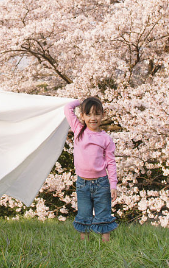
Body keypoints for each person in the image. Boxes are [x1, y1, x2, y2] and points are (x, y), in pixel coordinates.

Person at [64, 97, 118, 241]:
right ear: (82, 116)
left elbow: (111, 163)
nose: (93, 118)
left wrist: (113, 185)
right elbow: (67, 109)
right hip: (82, 184)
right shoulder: (78, 130)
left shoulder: (105, 138)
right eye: (88, 114)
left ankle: (106, 247)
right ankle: (84, 247)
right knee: (84, 215)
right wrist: (80, 101)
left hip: (101, 183)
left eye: (97, 114)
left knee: (103, 215)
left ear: (103, 115)